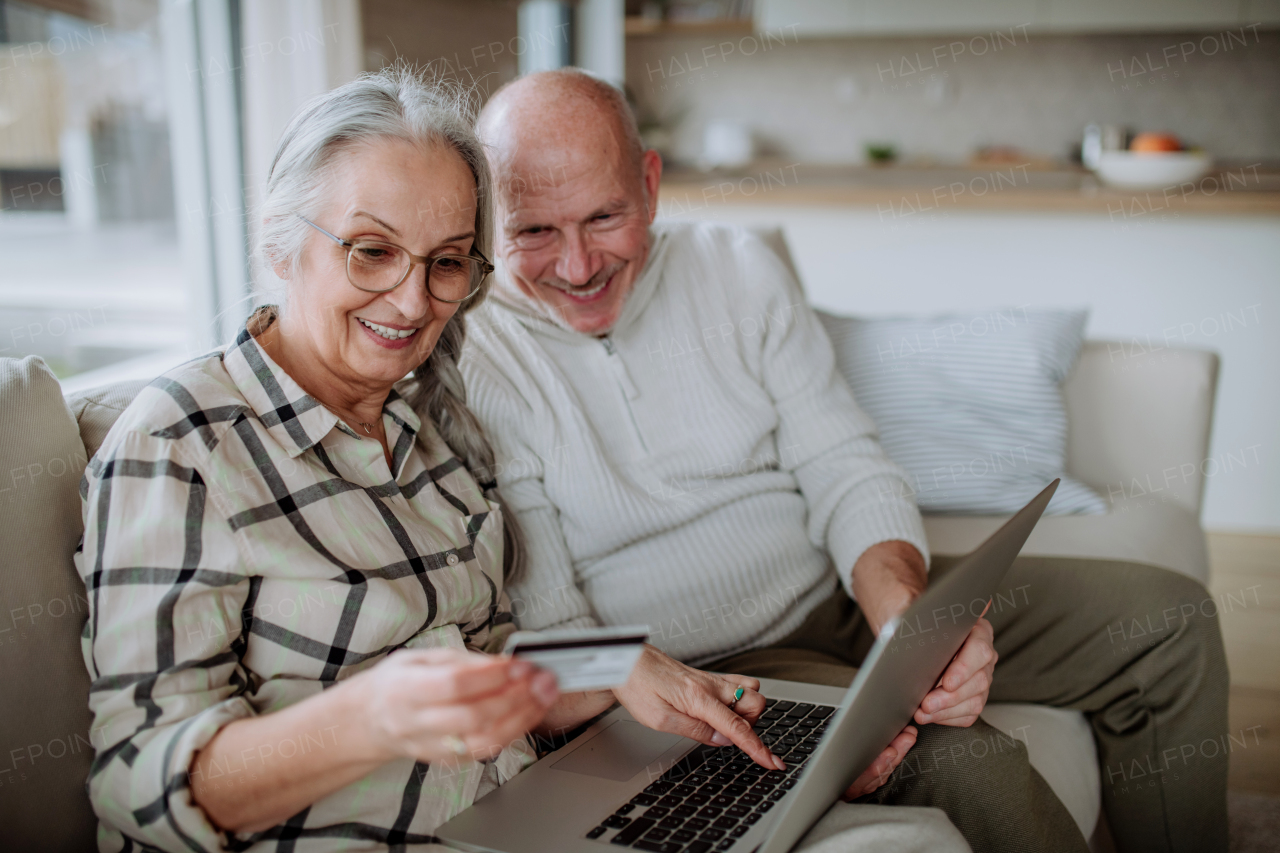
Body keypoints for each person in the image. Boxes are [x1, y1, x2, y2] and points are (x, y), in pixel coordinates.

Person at [74, 66, 970, 853]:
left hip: (545, 815)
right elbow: (138, 785)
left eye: (448, 262)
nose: (412, 299)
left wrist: (616, 668)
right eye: (371, 250)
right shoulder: (183, 438)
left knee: (915, 836)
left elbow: (504, 661)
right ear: (279, 240)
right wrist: (372, 715)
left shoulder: (433, 434)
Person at [460, 68, 1230, 853]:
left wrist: (910, 623)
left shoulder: (736, 267)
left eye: (605, 216)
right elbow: (553, 628)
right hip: (711, 674)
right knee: (979, 764)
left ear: (651, 186)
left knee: (1171, 619)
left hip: (837, 592)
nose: (579, 265)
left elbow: (843, 461)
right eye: (533, 232)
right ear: (491, 224)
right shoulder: (476, 359)